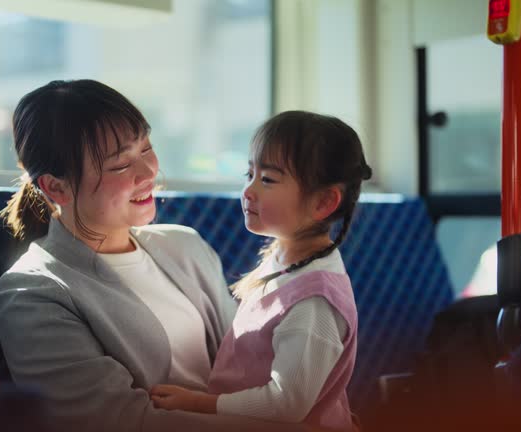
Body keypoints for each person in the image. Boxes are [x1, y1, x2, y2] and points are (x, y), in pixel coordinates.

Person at [0, 80, 313, 432]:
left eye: (146, 148)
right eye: (119, 165)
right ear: (56, 187)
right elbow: (121, 422)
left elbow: (252, 364)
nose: (148, 173)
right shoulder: (33, 292)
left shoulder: (185, 246)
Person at [150, 111, 372, 431]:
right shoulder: (283, 258)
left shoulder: (315, 303)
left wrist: (198, 403)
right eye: (249, 174)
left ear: (323, 202)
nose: (248, 191)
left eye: (267, 179)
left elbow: (286, 404)